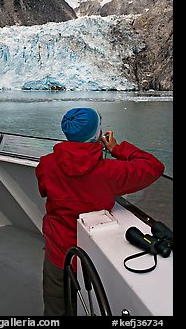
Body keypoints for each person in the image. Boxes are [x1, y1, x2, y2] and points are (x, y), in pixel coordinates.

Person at [35, 107, 165, 316]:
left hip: (58, 251)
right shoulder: (109, 172)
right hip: (94, 253)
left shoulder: (46, 165)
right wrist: (117, 149)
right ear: (97, 134)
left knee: (55, 307)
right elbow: (154, 166)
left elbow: (44, 189)